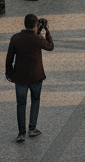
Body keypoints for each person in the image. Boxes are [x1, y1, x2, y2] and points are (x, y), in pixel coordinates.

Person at [5, 14, 54, 143]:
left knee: (21, 104)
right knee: (35, 100)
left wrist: (9, 73)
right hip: (36, 76)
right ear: (36, 25)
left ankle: (21, 132)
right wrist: (47, 31)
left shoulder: (16, 38)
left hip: (20, 76)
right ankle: (32, 128)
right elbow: (50, 46)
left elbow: (9, 58)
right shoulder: (37, 39)